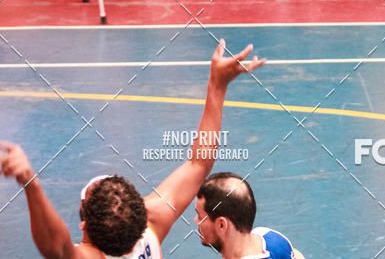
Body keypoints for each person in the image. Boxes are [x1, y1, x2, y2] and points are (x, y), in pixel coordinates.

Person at [0, 39, 265, 258]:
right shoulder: (150, 229)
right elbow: (199, 163)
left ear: (84, 225)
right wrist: (217, 87)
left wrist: (31, 185)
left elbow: (56, 247)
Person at [195, 172, 305, 259]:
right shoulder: (272, 237)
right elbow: (297, 255)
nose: (196, 221)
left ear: (221, 225)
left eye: (200, 216)